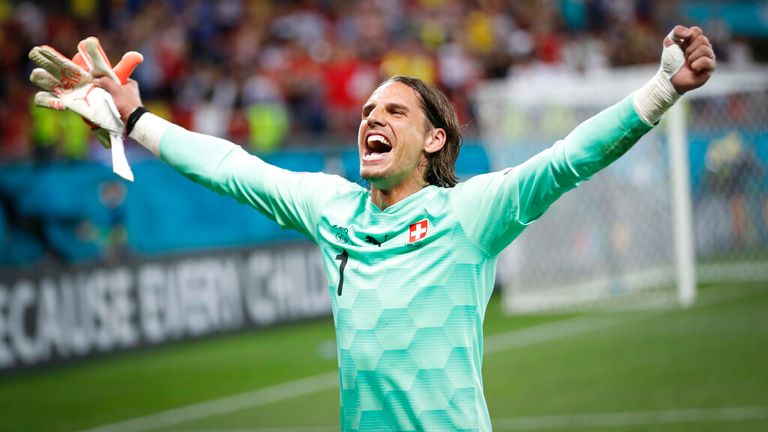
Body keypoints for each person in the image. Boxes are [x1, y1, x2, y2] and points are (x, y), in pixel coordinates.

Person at [34, 25, 715, 431]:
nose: (371, 119)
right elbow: (232, 167)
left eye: (394, 111)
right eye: (366, 110)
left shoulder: (468, 216)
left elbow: (567, 161)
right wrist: (134, 118)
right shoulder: (332, 210)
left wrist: (662, 90)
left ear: (432, 139)